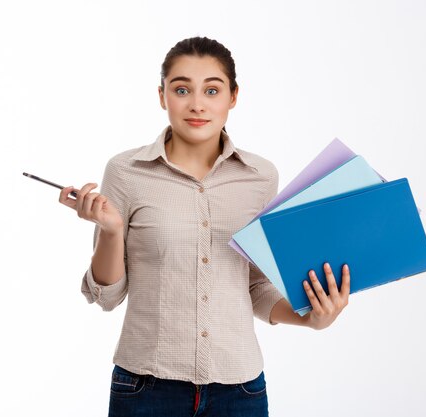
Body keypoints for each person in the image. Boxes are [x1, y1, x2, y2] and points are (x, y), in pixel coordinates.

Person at [59, 36, 350, 417]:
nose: (197, 104)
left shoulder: (260, 177)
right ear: (162, 96)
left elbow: (255, 285)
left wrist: (309, 318)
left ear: (233, 97)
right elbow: (108, 297)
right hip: (145, 388)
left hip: (239, 390)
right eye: (182, 89)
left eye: (212, 90)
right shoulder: (126, 172)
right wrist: (112, 231)